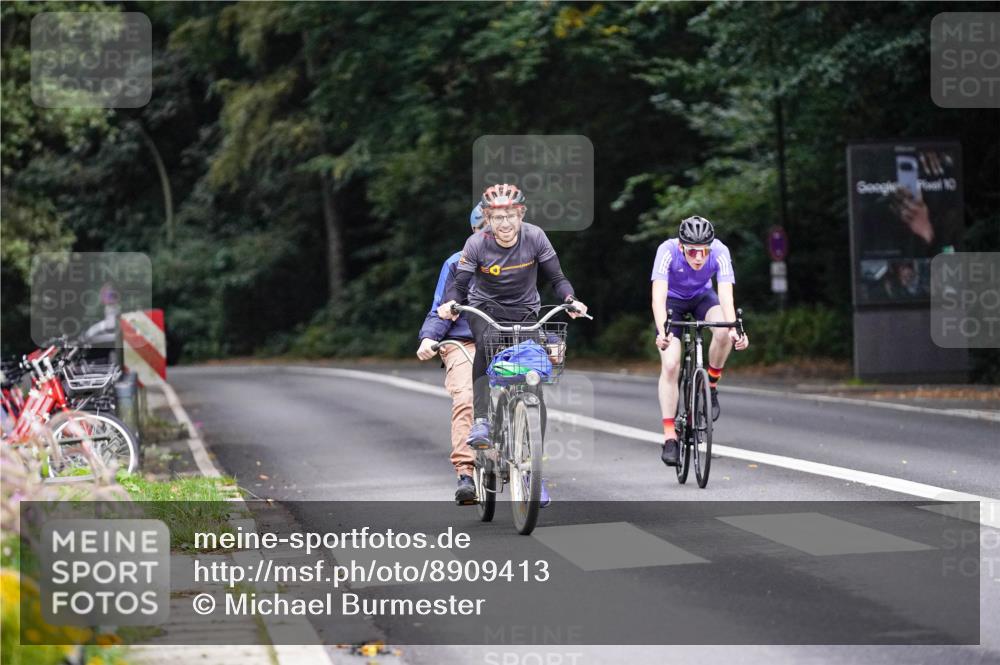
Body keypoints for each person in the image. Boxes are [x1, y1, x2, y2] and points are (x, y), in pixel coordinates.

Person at [437, 183, 589, 506]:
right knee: (488, 344)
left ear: (520, 214)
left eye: (510, 215)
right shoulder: (476, 244)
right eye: (496, 217)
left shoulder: (535, 237)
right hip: (486, 311)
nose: (504, 223)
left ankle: (532, 471)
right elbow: (458, 285)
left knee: (534, 376)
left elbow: (557, 278)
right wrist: (450, 304)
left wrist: (570, 300)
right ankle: (481, 420)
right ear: (487, 219)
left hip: (525, 312)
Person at [651, 215, 749, 467]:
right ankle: (670, 436)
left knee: (724, 331)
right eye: (692, 251)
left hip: (702, 297)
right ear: (682, 246)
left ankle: (712, 384)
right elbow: (658, 297)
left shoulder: (720, 251)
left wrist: (735, 329)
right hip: (672, 301)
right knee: (671, 365)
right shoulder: (667, 250)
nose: (698, 257)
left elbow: (726, 295)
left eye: (703, 251)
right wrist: (662, 331)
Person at [415, 205, 484, 504]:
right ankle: (466, 472)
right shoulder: (457, 263)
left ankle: (529, 464)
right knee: (467, 397)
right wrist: (429, 338)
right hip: (463, 342)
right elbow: (441, 308)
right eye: (486, 228)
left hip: (506, 340)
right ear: (475, 232)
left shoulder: (519, 261)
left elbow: (530, 307)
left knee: (531, 386)